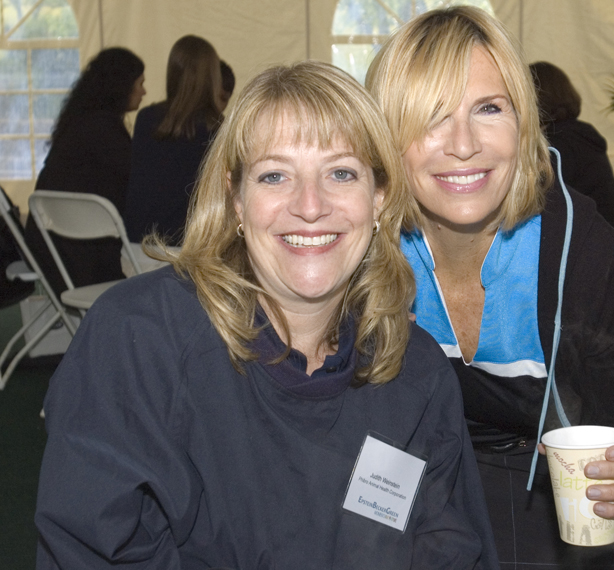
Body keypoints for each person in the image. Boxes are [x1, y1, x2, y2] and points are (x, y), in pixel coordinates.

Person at [35, 60, 498, 569]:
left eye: (341, 173)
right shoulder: (140, 342)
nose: (310, 205)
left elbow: (450, 546)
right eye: (275, 175)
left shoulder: (414, 372)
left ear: (379, 199)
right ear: (236, 199)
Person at [366, 7, 614, 569]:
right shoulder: (363, 250)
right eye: (430, 116)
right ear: (385, 138)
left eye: (488, 108)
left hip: (545, 482)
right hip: (411, 466)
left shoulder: (585, 263)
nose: (463, 144)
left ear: (523, 124)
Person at [24, 47, 145, 298]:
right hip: (84, 260)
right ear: (122, 87)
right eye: (140, 84)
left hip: (50, 251)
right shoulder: (108, 133)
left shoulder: (76, 126)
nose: (143, 92)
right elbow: (133, 191)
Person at [124, 35, 223, 246]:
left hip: (137, 247)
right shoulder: (217, 129)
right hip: (187, 250)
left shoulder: (146, 119)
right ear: (213, 78)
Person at [530, 61, 614, 241]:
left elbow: (537, 199)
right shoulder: (577, 134)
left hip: (594, 247)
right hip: (606, 238)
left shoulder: (560, 146)